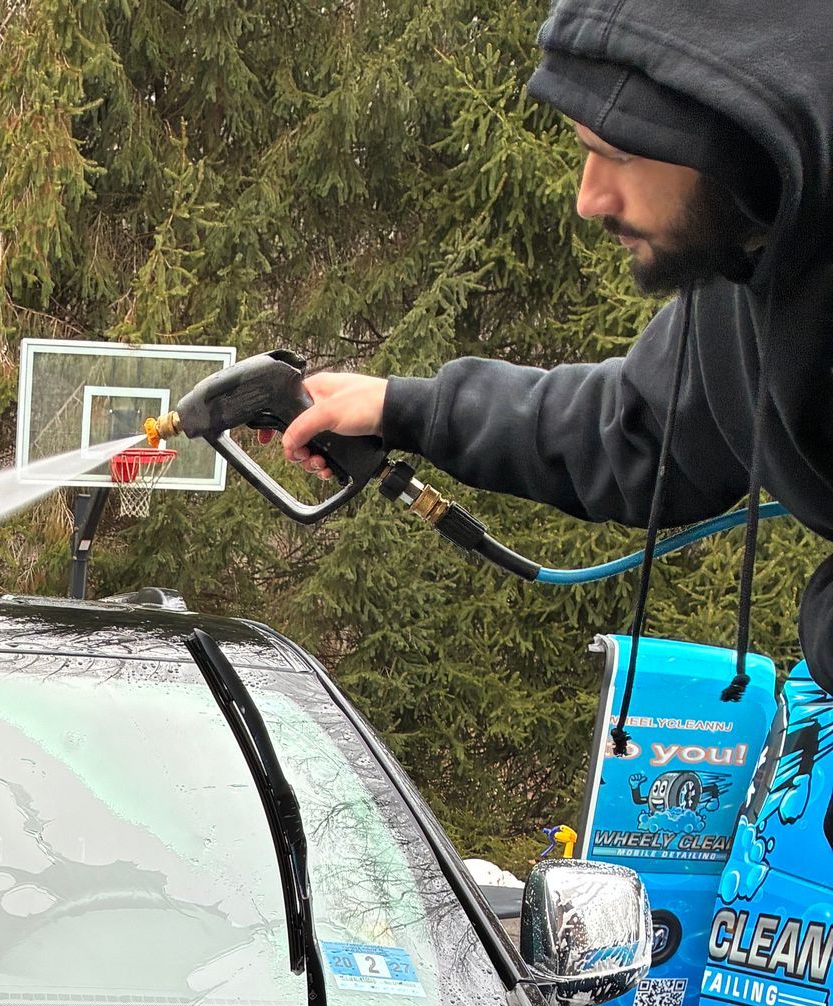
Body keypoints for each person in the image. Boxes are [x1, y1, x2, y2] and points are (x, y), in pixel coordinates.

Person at [282, 0, 833, 696]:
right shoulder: (752, 253)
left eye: (618, 155)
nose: (589, 198)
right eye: (584, 150)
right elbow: (642, 431)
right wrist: (404, 408)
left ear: (744, 142)